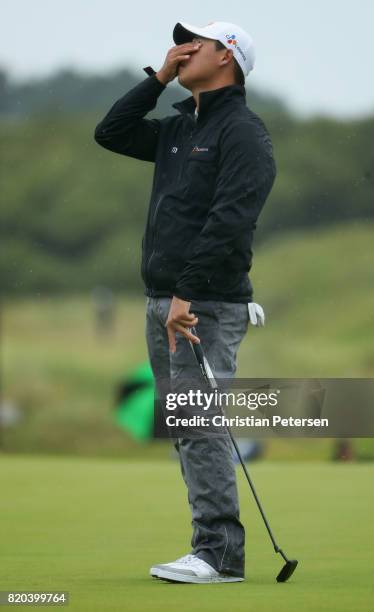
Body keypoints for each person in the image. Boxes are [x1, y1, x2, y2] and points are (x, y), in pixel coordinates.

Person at [94, 20, 277, 584]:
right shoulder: (179, 129)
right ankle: (210, 547)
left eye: (197, 42)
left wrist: (186, 292)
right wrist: (158, 76)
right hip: (165, 302)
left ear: (227, 56)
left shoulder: (242, 131)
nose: (184, 47)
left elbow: (231, 220)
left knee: (199, 423)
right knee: (186, 425)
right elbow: (111, 131)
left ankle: (220, 554)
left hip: (202, 304)